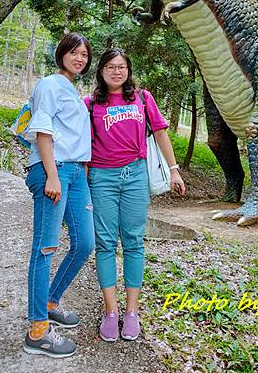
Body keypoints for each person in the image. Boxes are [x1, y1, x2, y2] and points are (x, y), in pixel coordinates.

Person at [85, 47, 185, 343]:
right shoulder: (90, 104)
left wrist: (174, 169)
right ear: (101, 71)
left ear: (128, 70)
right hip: (101, 178)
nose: (117, 71)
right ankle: (110, 310)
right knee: (104, 243)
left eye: (122, 66)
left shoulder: (142, 98)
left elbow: (161, 132)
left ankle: (131, 311)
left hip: (135, 176)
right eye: (111, 67)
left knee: (133, 241)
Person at [22, 32, 95, 359]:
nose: (80, 58)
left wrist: (81, 173)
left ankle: (49, 301)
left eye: (84, 55)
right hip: (56, 170)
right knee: (45, 248)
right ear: (61, 53)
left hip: (76, 173)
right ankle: (37, 330)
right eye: (74, 52)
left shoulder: (72, 90)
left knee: (84, 243)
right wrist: (52, 175)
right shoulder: (50, 84)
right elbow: (43, 129)